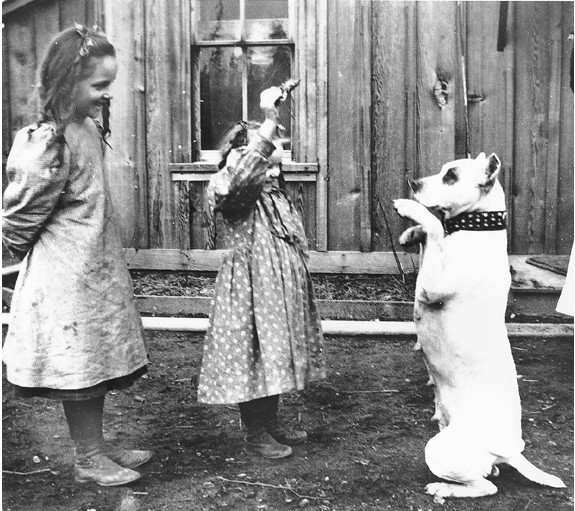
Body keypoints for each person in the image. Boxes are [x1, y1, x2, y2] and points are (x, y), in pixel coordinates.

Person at [2, 24, 152, 486]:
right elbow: (18, 220)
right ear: (68, 83)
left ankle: (97, 445)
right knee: (80, 368)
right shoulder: (47, 144)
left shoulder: (84, 128)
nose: (108, 95)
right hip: (64, 279)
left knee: (96, 361)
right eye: (99, 86)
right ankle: (87, 457)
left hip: (94, 269)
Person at [197, 86, 326, 459]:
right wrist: (269, 122)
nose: (273, 171)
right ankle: (255, 431)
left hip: (277, 288)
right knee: (255, 352)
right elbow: (241, 180)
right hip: (253, 289)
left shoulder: (273, 194)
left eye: (276, 165)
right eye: (266, 162)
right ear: (243, 157)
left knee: (275, 351)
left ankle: (269, 422)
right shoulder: (233, 188)